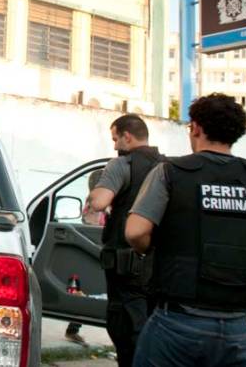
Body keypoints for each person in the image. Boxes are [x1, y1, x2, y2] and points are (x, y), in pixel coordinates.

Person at [126, 94, 246, 367]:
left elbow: (135, 232)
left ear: (196, 127)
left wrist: (152, 250)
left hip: (178, 322)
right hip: (240, 328)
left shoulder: (170, 172)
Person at [84, 114, 163, 367]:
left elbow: (100, 202)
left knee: (126, 330)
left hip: (127, 268)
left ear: (127, 136)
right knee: (154, 329)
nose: (115, 145)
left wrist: (94, 192)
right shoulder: (168, 167)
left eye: (115, 139)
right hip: (160, 267)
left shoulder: (121, 164)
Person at [65, 170, 106, 346]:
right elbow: (92, 224)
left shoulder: (97, 201)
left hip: (95, 249)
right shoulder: (95, 202)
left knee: (86, 292)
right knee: (86, 292)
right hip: (93, 250)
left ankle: (73, 329)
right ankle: (72, 330)